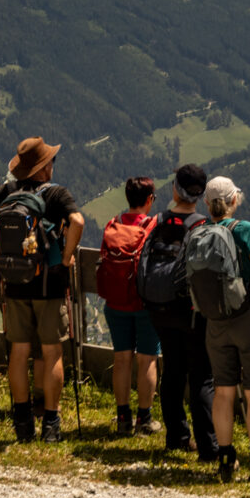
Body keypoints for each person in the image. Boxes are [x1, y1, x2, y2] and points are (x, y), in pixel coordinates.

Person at [0, 137, 84, 443]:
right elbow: (77, 221)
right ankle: (51, 424)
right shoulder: (56, 194)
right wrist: (65, 259)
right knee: (52, 352)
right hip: (50, 284)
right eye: (50, 161)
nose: (53, 165)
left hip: (13, 284)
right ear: (43, 169)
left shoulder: (7, 192)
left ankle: (22, 422)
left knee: (19, 352)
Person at [200, 176, 250, 482]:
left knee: (223, 391)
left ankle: (226, 459)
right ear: (234, 200)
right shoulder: (244, 230)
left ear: (206, 204)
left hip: (215, 323)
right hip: (248, 319)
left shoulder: (200, 232)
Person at [142, 164, 217, 460]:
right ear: (201, 194)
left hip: (159, 307)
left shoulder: (158, 220)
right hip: (191, 312)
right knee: (201, 377)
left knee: (172, 371)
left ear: (175, 188)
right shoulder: (203, 226)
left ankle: (176, 436)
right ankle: (208, 446)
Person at [99, 176, 162, 436]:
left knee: (121, 358)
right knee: (147, 360)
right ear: (149, 200)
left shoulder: (112, 224)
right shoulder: (153, 226)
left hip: (115, 303)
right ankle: (144, 420)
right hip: (144, 303)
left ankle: (123, 416)